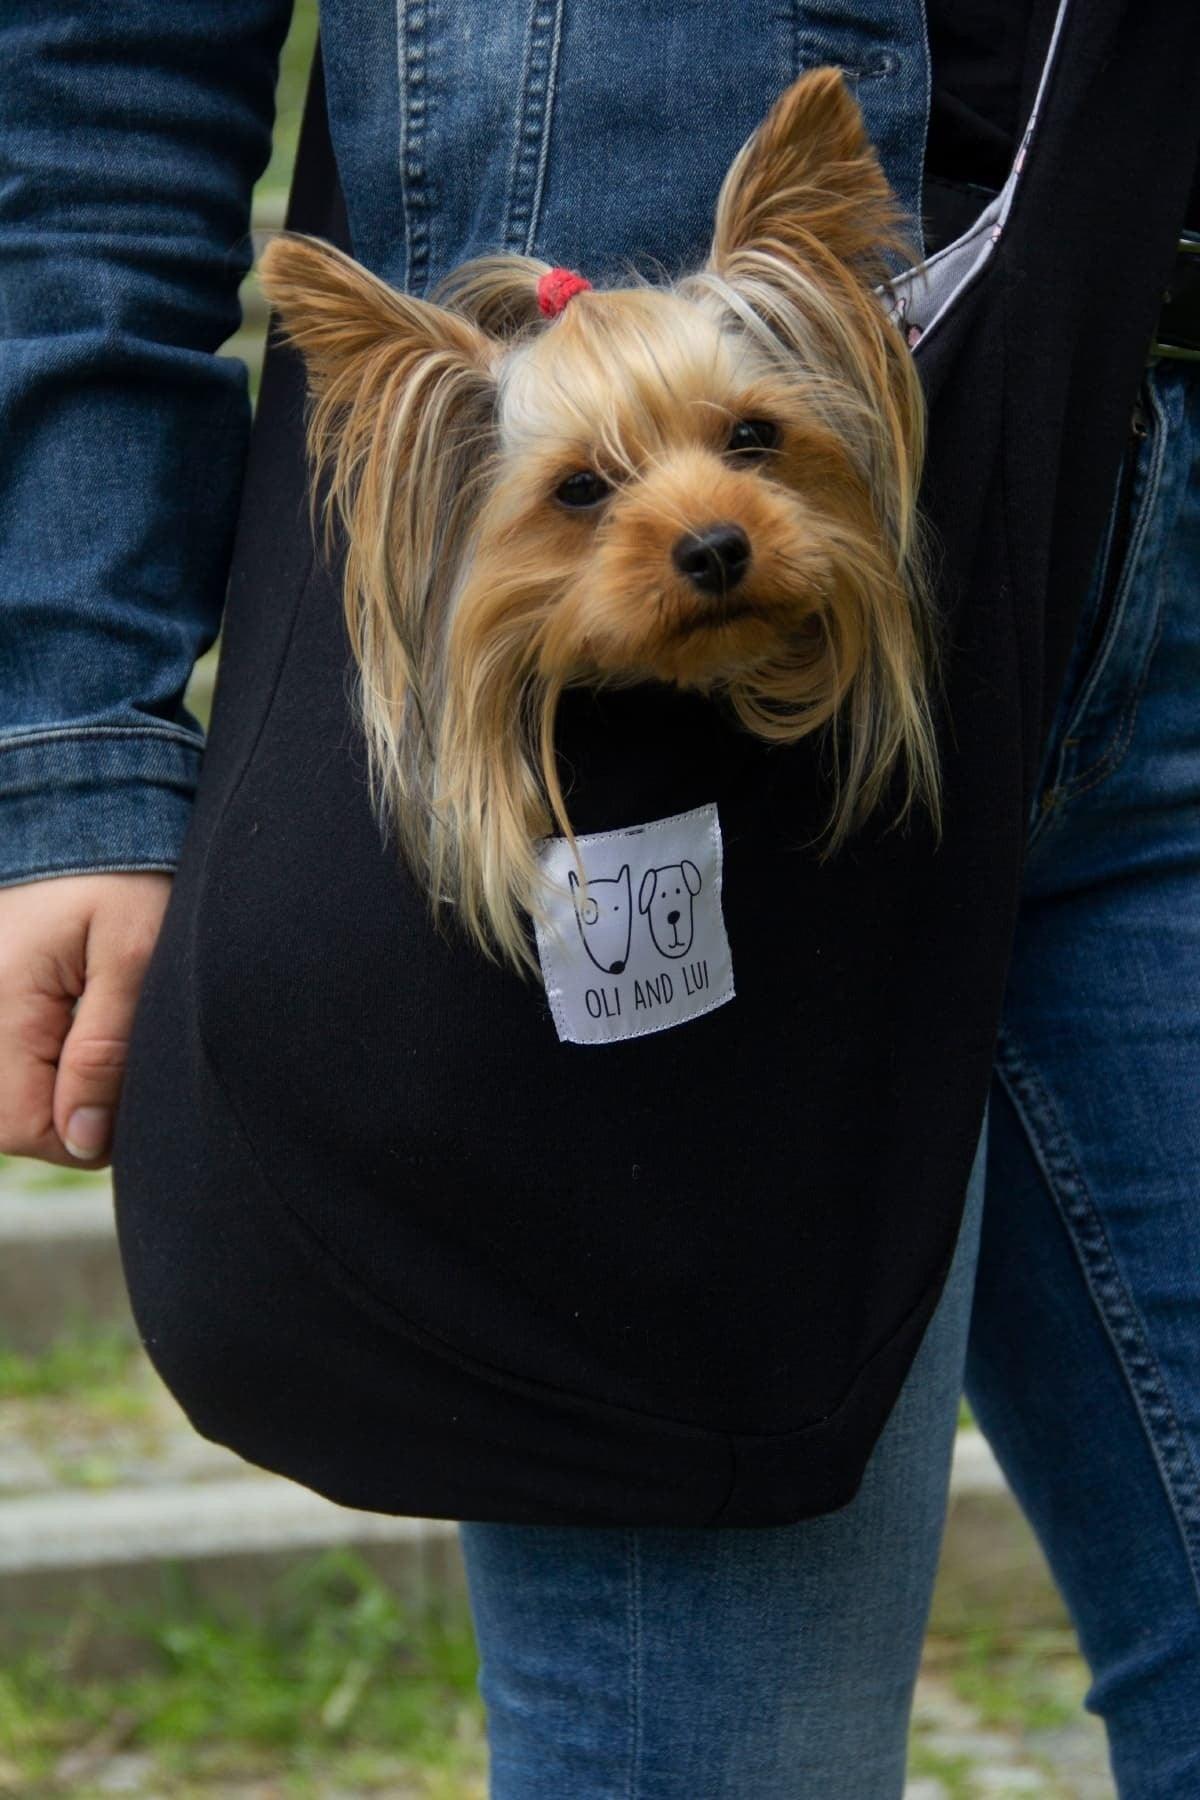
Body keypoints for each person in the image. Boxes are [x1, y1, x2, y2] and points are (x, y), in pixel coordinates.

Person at [1, 4, 1197, 1794]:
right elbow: (104, 69)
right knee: (715, 1755)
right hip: (621, 788)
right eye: (587, 492)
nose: (701, 521)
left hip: (1135, 530)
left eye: (743, 447)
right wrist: (74, 734)